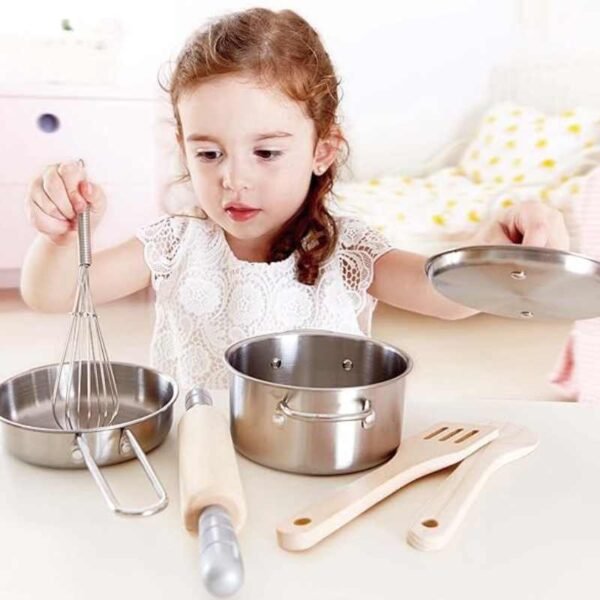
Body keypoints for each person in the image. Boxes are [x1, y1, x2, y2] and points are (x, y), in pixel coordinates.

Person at [19, 8, 570, 390]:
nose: (233, 179)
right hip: (206, 458)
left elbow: (448, 299)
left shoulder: (344, 250)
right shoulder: (175, 244)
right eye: (209, 154)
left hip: (314, 459)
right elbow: (53, 293)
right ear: (183, 147)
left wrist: (502, 245)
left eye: (265, 153)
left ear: (322, 150)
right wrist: (61, 236)